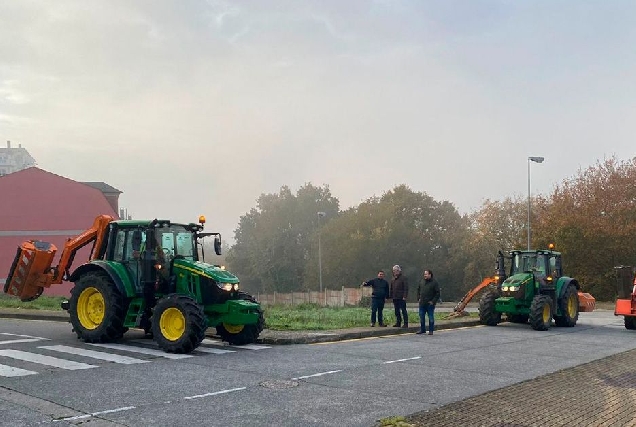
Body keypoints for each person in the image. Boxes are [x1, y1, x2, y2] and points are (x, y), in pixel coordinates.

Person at [416, 269, 441, 335]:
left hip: (430, 304)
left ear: (430, 274)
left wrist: (433, 301)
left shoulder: (434, 282)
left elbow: (438, 293)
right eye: (424, 274)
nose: (425, 275)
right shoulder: (421, 281)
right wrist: (418, 298)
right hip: (422, 303)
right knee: (421, 316)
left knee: (431, 317)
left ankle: (431, 330)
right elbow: (418, 290)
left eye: (426, 274)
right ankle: (422, 329)